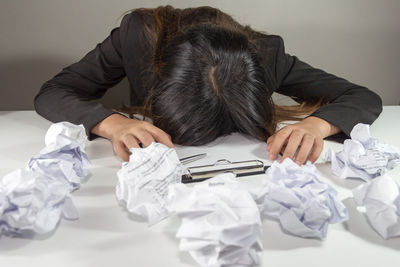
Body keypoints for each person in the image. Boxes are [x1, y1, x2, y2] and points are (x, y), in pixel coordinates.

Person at [34, 5, 382, 164]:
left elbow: (362, 97)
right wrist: (113, 123)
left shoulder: (267, 54)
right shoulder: (138, 38)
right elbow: (53, 92)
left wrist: (315, 125)